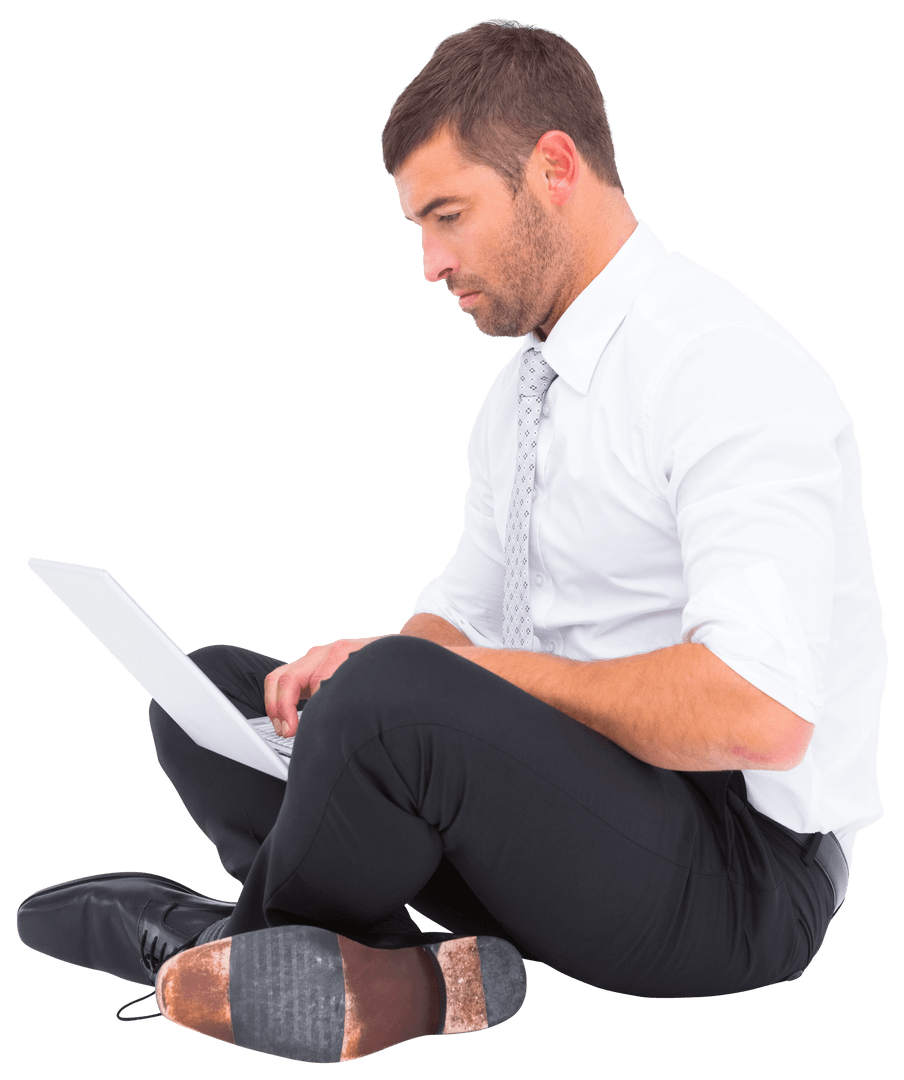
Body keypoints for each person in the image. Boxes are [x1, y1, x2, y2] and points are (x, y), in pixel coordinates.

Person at [17, 18, 885, 1065]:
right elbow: (463, 613)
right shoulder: (518, 395)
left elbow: (760, 717)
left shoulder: (724, 367)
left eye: (448, 216)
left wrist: (443, 679)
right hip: (568, 831)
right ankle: (400, 973)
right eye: (416, 227)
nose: (429, 263)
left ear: (553, 168)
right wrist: (372, 664)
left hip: (739, 880)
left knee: (391, 693)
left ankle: (213, 946)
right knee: (218, 694)